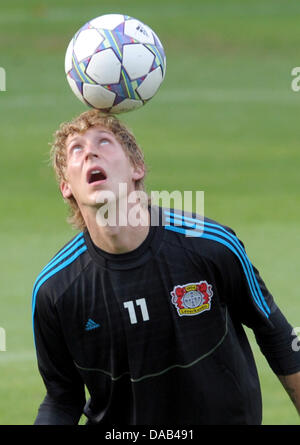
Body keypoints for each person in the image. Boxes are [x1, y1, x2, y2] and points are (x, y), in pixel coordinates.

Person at [32, 109, 300, 425]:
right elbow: (62, 398)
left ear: (136, 167)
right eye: (76, 149)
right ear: (66, 187)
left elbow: (278, 335)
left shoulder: (209, 246)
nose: (90, 151)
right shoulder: (57, 290)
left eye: (104, 142)